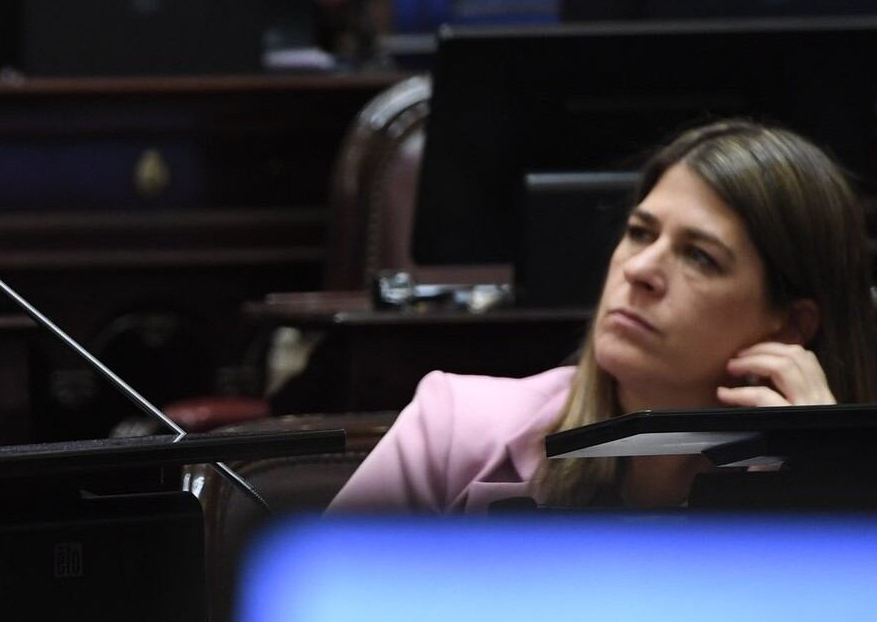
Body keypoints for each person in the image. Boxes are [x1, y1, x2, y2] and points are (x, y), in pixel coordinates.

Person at [330, 119, 877, 513]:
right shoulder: (452, 430)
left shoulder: (837, 485)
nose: (641, 268)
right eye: (640, 232)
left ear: (790, 327)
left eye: (699, 256)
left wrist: (828, 492)